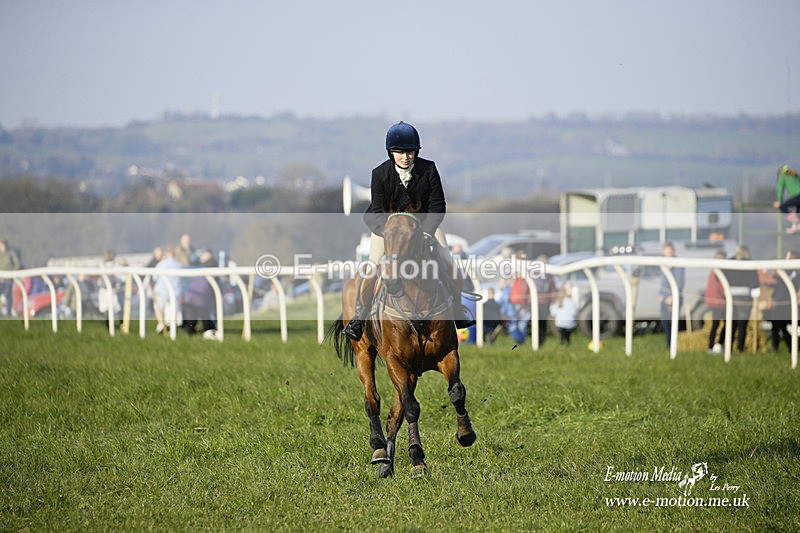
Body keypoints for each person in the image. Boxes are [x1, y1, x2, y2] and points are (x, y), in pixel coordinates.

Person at [343, 121, 475, 340]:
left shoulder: (428, 169)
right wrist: (391, 234)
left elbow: (437, 206)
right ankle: (360, 316)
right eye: (400, 152)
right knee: (372, 268)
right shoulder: (380, 174)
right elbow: (378, 210)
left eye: (410, 152)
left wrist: (426, 233)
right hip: (387, 230)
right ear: (391, 153)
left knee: (448, 262)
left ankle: (457, 309)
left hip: (425, 227)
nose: (406, 157)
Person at [722, 245, 760, 352]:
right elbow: (755, 283)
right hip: (744, 297)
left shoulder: (729, 262)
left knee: (731, 323)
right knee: (742, 324)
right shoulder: (749, 263)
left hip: (730, 296)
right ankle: (740, 348)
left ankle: (728, 347)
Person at [764, 250, 800, 352]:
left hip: (789, 304)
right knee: (778, 326)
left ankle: (787, 346)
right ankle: (783, 346)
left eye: (788, 257)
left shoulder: (797, 273)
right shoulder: (783, 272)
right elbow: (776, 285)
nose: (785, 259)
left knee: (781, 326)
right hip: (779, 303)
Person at [658, 241, 685, 350]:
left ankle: (672, 345)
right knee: (665, 321)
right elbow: (662, 281)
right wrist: (661, 294)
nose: (668, 254)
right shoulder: (663, 263)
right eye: (666, 252)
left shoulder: (677, 264)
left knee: (672, 321)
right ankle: (669, 343)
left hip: (674, 297)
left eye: (670, 251)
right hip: (664, 297)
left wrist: (673, 296)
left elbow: (679, 282)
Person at [153, 246, 184, 333]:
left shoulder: (161, 264)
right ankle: (170, 328)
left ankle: (161, 324)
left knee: (158, 307)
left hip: (162, 291)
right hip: (176, 291)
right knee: (173, 311)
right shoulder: (179, 265)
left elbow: (155, 278)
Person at [704, 250, 728, 353]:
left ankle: (713, 345)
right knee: (722, 324)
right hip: (718, 303)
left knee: (716, 324)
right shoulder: (718, 273)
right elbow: (722, 288)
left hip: (714, 302)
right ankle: (716, 344)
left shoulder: (713, 271)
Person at [533, 254, 557, 343]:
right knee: (537, 322)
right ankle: (537, 340)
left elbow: (552, 287)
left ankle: (541, 340)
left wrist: (554, 300)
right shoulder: (533, 274)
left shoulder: (548, 275)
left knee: (542, 322)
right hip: (535, 302)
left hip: (544, 302)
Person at [773, 165, 800, 233]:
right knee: (797, 210)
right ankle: (795, 226)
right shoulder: (795, 175)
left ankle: (795, 222)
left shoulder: (782, 175)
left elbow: (780, 188)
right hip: (797, 197)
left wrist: (779, 201)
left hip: (798, 196)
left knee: (783, 206)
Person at [0, 239, 21, 316]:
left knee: (8, 294)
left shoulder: (11, 253)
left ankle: (8, 312)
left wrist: (12, 273)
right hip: (1, 278)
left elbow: (17, 264)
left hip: (8, 278)